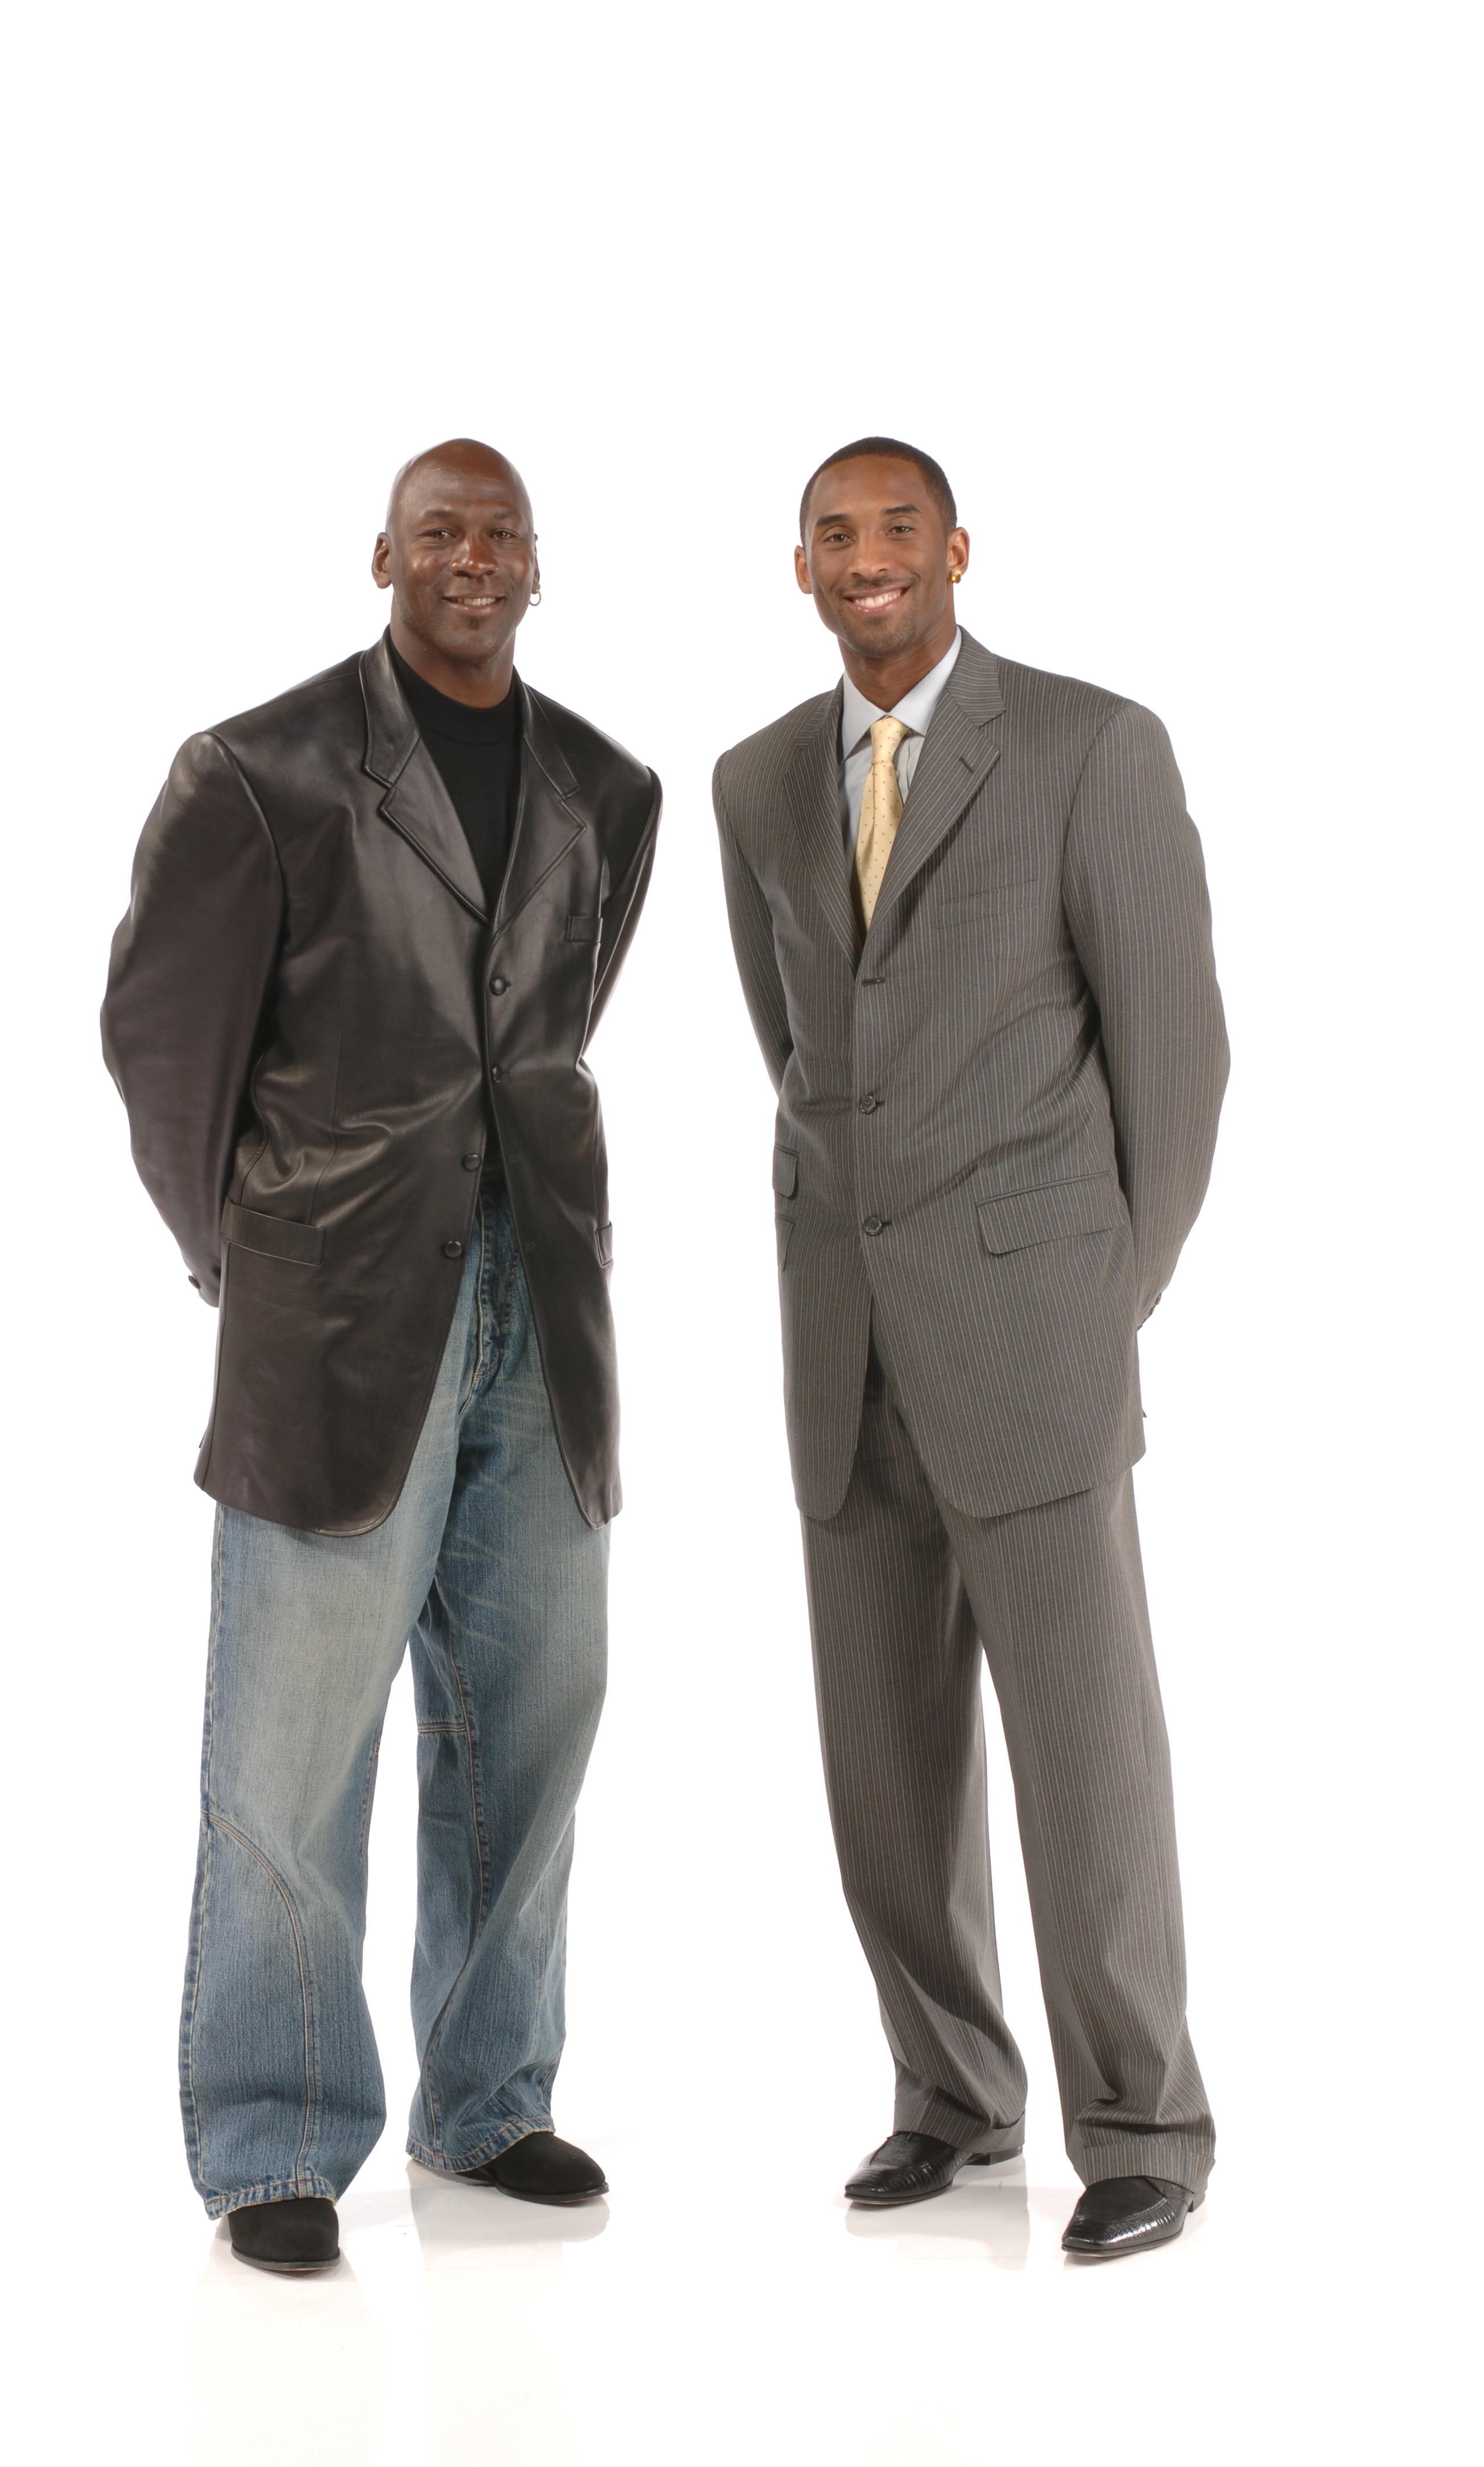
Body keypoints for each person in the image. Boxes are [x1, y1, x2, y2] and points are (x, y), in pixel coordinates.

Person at [102, 439, 659, 2273]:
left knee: (537, 1719)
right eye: (441, 531)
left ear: (535, 566)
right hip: (334, 1316)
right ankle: (273, 2135)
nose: (472, 557)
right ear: (384, 557)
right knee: (291, 1748)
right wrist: (251, 1256)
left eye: (501, 533)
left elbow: (546, 1021)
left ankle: (493, 2101)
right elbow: (165, 1049)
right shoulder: (259, 774)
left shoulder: (605, 786)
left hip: (542, 1307)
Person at [713, 437, 1227, 2260]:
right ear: (803, 571)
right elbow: (802, 1046)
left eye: (899, 530)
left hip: (1032, 1339)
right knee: (889, 1764)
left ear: (956, 552)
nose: (871, 562)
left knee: (1087, 1756)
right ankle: (951, 2098)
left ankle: (1146, 2127)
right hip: (842, 1344)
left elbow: (1176, 1066)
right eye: (836, 538)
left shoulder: (1094, 749)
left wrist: (1102, 1306)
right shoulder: (757, 781)